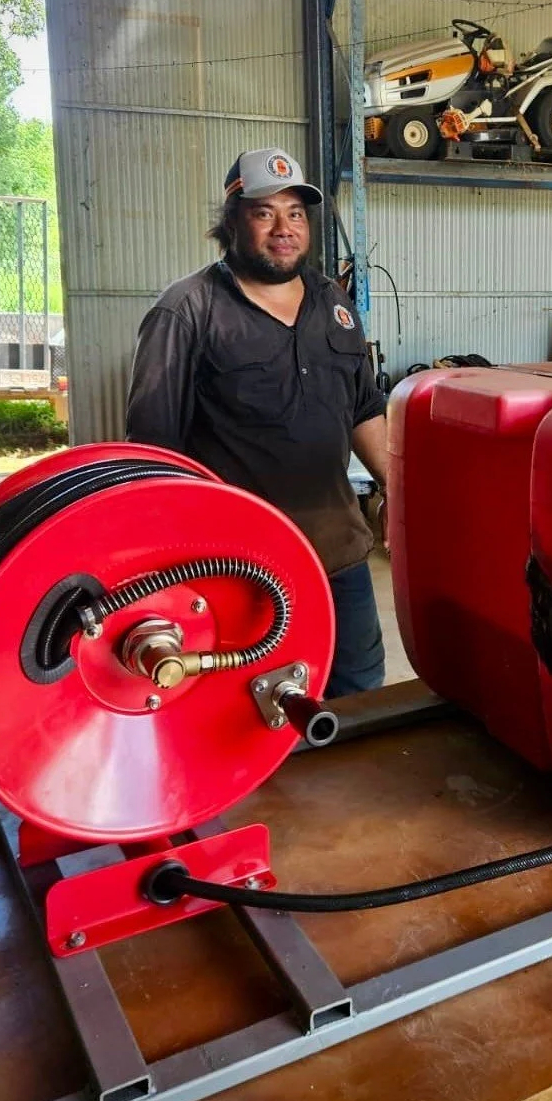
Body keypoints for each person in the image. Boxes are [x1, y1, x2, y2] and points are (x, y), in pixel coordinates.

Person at [125, 148, 387, 698]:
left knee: (358, 694)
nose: (283, 228)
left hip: (337, 553)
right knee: (252, 708)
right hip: (239, 569)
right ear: (232, 221)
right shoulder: (187, 310)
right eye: (264, 212)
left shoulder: (333, 303)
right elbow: (152, 452)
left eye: (295, 213)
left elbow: (365, 411)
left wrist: (406, 492)